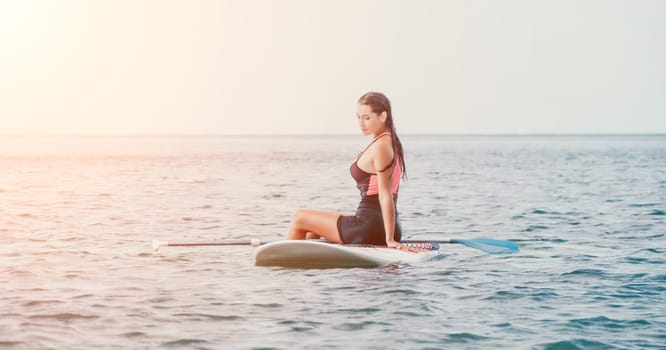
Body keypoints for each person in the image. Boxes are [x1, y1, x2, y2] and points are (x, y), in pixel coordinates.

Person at [285, 92, 414, 252]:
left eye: (367, 118)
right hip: (381, 224)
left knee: (300, 217)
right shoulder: (390, 143)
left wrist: (389, 240)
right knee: (312, 230)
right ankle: (311, 267)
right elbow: (393, 194)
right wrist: (391, 233)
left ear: (383, 116)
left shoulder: (381, 146)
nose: (361, 123)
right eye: (358, 117)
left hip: (369, 226)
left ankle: (284, 267)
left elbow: (386, 195)